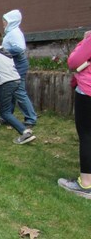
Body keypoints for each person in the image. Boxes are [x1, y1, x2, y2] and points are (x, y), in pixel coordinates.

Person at [58, 31, 91, 198]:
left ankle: (85, 184)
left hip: (88, 91)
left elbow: (73, 61)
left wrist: (85, 40)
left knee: (87, 135)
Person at [2, 10, 38, 127]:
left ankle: (31, 118)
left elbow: (19, 49)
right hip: (12, 66)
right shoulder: (11, 32)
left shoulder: (15, 33)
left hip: (18, 67)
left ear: (11, 21)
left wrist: (2, 51)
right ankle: (8, 115)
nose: (3, 23)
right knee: (11, 92)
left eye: (5, 21)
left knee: (19, 92)